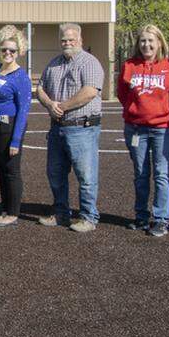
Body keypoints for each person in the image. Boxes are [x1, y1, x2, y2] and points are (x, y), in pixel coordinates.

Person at [36, 22, 105, 232]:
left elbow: (90, 91)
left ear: (80, 40)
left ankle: (88, 217)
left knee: (86, 175)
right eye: (64, 40)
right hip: (57, 128)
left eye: (71, 39)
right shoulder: (54, 64)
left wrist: (63, 106)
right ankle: (61, 213)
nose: (67, 43)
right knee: (55, 173)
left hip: (81, 127)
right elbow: (40, 88)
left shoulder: (89, 62)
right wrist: (50, 104)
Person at [116, 24, 169, 237]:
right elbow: (122, 93)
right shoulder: (129, 65)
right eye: (143, 41)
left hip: (162, 129)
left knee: (161, 174)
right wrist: (136, 111)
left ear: (159, 43)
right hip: (136, 128)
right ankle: (141, 215)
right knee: (140, 173)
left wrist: (160, 111)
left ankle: (161, 218)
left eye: (151, 41)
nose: (146, 45)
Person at [0, 25, 32, 228]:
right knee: (1, 170)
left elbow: (23, 111)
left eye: (12, 50)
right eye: (4, 50)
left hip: (7, 127)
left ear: (19, 51)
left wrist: (16, 140)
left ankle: (13, 213)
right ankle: (4, 210)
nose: (8, 53)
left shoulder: (21, 77)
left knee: (11, 170)